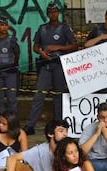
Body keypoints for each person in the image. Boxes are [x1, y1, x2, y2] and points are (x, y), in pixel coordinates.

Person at [23, 2, 78, 135]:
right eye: (50, 12)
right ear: (47, 14)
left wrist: (57, 47)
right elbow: (35, 46)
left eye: (55, 11)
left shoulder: (64, 28)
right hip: (45, 66)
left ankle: (59, 124)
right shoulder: (42, 28)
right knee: (39, 95)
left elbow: (74, 45)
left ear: (58, 13)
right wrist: (41, 52)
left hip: (59, 65)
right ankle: (30, 125)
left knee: (58, 96)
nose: (53, 14)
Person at [0, 14, 20, 113]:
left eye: (6, 25)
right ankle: (0, 120)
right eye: (2, 25)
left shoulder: (12, 39)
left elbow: (17, 53)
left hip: (10, 72)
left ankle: (13, 120)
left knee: (12, 98)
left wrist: (12, 65)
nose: (4, 27)